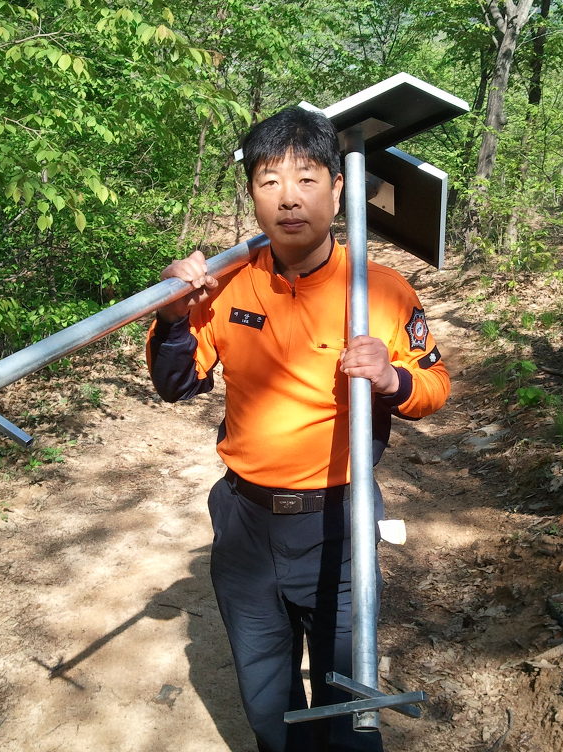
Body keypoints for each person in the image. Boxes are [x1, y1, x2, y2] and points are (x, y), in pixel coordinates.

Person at [146, 106, 450, 752]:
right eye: (270, 181)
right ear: (252, 194)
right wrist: (171, 317)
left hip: (338, 522)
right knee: (269, 708)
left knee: (350, 710)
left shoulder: (381, 291)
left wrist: (391, 379)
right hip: (245, 524)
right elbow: (177, 384)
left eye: (307, 179)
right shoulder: (227, 284)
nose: (289, 198)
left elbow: (434, 388)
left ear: (337, 190)